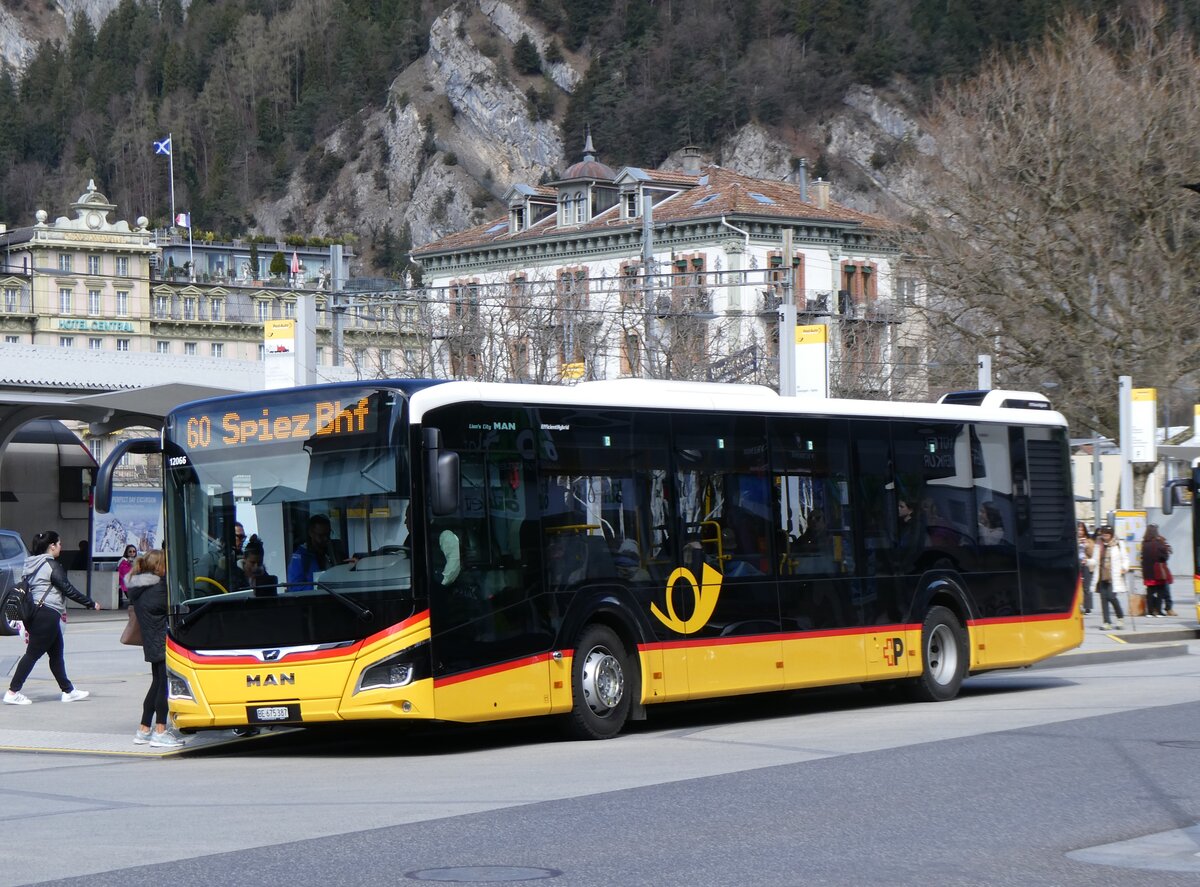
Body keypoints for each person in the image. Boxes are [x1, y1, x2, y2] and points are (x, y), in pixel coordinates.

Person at [3, 531, 101, 705]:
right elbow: (67, 589)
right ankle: (13, 691)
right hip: (46, 614)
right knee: (32, 655)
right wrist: (90, 603)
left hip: (38, 613)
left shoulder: (31, 563)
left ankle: (68, 691)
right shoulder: (51, 565)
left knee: (56, 654)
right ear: (52, 546)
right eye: (59, 544)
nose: (61, 547)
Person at [126, 550, 183, 748]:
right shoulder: (159, 588)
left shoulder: (140, 587)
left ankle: (143, 729)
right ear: (160, 566)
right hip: (162, 641)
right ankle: (160, 730)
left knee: (156, 683)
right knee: (163, 687)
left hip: (151, 642)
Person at [1089, 524, 1127, 630]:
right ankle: (1106, 622)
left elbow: (1125, 558)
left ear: (1111, 535)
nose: (1105, 537)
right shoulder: (1099, 544)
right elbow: (1095, 559)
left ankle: (1120, 617)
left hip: (1113, 576)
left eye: (1107, 535)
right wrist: (1087, 562)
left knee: (1111, 597)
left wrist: (1124, 567)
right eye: (1103, 534)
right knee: (1103, 599)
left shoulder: (1118, 544)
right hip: (1101, 575)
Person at [286, 514, 333, 591]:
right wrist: (319, 588)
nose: (326, 539)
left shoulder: (333, 553)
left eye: (328, 534)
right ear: (311, 533)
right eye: (321, 535)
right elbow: (294, 587)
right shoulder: (300, 557)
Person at [1140, 524, 1175, 617]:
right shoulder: (1158, 543)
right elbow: (1164, 556)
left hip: (1147, 572)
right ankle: (1159, 611)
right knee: (1160, 591)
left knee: (1150, 592)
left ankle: (1150, 611)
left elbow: (1142, 558)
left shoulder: (1144, 543)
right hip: (1158, 572)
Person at [1077, 522, 1094, 614]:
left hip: (1086, 563)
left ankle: (1088, 607)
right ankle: (1078, 605)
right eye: (1079, 529)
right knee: (1077, 586)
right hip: (1076, 564)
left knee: (1086, 586)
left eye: (1082, 530)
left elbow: (1092, 554)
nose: (1080, 532)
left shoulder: (1089, 540)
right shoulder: (1073, 539)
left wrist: (1087, 546)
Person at [117, 544, 138, 609]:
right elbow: (123, 572)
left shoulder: (136, 560)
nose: (132, 553)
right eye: (130, 551)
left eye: (134, 551)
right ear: (126, 552)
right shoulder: (123, 561)